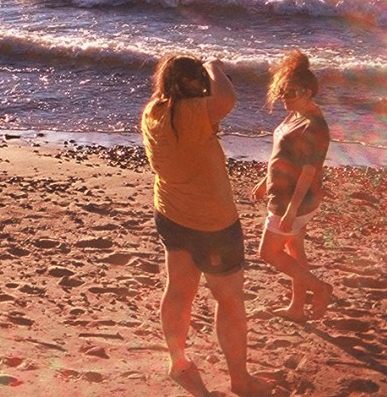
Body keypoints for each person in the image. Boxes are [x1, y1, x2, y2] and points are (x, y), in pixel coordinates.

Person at [141, 55, 269, 397]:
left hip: (170, 214)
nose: (205, 89)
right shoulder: (191, 114)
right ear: (190, 84)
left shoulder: (154, 111)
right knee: (230, 302)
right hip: (212, 224)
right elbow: (226, 98)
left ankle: (178, 361)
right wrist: (214, 65)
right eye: (200, 82)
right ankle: (240, 380)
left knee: (178, 290)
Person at [249, 49, 333, 321]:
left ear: (308, 92)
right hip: (284, 194)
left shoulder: (314, 126)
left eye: (291, 93)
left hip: (294, 200)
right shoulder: (295, 115)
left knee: (268, 252)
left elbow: (308, 172)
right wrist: (265, 180)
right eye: (282, 92)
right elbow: (284, 155)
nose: (284, 97)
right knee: (295, 251)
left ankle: (320, 289)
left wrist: (291, 211)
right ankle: (297, 307)